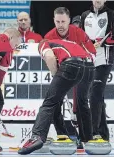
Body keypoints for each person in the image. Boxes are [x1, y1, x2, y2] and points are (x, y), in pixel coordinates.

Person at [18, 39, 95, 155]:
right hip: (89, 67)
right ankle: (87, 139)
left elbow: (49, 57)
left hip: (71, 64)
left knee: (49, 103)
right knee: (82, 102)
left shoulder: (43, 43)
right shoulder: (70, 43)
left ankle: (37, 136)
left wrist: (55, 75)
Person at [44, 7, 96, 145]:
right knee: (55, 100)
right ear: (54, 21)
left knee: (81, 101)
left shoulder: (79, 33)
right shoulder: (49, 36)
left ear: (68, 21)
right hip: (63, 70)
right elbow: (49, 57)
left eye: (63, 21)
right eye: (58, 21)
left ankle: (86, 138)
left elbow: (92, 53)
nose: (60, 25)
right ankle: (62, 135)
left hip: (83, 69)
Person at [81, 0, 114, 142]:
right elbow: (81, 37)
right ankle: (104, 134)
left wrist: (102, 42)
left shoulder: (112, 15)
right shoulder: (85, 15)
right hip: (89, 60)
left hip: (104, 60)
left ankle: (94, 133)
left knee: (94, 94)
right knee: (97, 96)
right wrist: (90, 43)